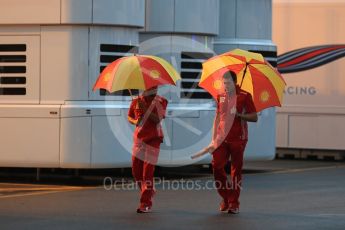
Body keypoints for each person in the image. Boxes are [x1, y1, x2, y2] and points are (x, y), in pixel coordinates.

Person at [207, 70, 258, 214]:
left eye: (228, 83)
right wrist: (213, 139)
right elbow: (217, 117)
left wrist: (239, 114)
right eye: (224, 83)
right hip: (221, 139)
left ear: (235, 82)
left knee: (236, 171)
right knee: (216, 166)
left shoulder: (245, 96)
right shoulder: (221, 96)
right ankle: (226, 197)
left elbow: (254, 117)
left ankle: (234, 203)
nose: (226, 85)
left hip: (238, 139)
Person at [127, 86, 168, 213]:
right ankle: (149, 191)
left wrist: (145, 109)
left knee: (147, 172)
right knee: (136, 172)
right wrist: (135, 121)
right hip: (139, 140)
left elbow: (158, 119)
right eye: (150, 87)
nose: (154, 89)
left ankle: (145, 203)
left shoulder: (161, 101)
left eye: (155, 87)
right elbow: (130, 116)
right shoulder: (136, 101)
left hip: (153, 139)